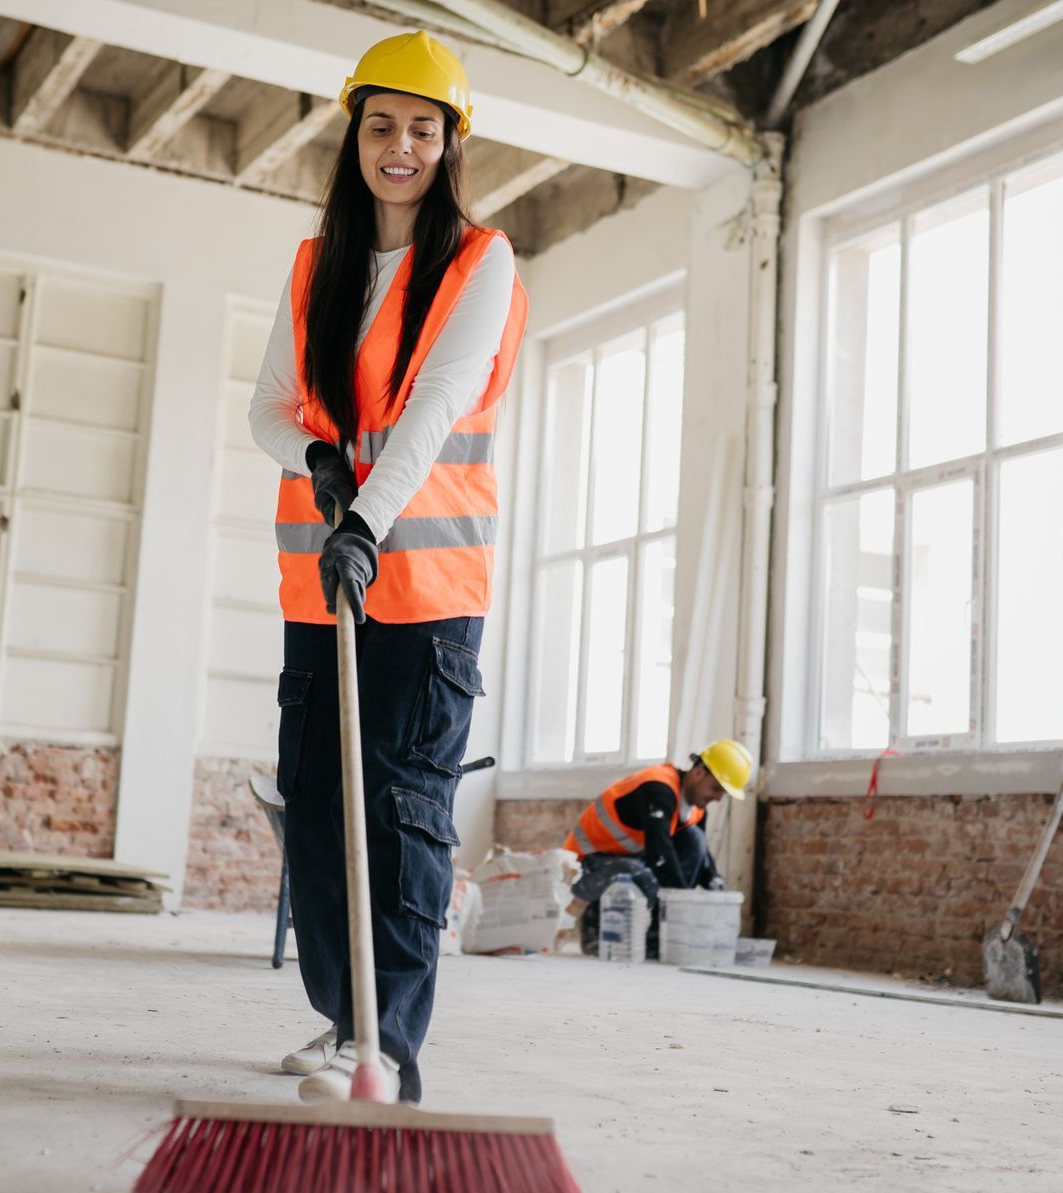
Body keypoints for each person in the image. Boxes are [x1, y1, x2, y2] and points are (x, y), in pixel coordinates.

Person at [249, 30, 526, 1105]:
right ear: (352, 134)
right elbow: (267, 405)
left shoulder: (479, 260)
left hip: (428, 591)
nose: (399, 146)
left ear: (450, 142)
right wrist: (313, 455)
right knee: (315, 807)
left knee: (404, 815)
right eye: (380, 126)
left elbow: (435, 409)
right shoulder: (317, 263)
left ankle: (394, 1051)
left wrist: (364, 518)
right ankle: (345, 1016)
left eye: (422, 128)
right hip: (322, 591)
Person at [563, 739, 755, 956]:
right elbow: (659, 854)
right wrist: (685, 903)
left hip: (627, 862)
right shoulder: (658, 788)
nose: (718, 798)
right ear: (699, 772)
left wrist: (715, 890)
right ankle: (597, 936)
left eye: (724, 793)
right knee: (641, 874)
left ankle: (659, 939)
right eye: (717, 788)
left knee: (695, 839)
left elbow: (702, 859)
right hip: (583, 868)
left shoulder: (695, 810)